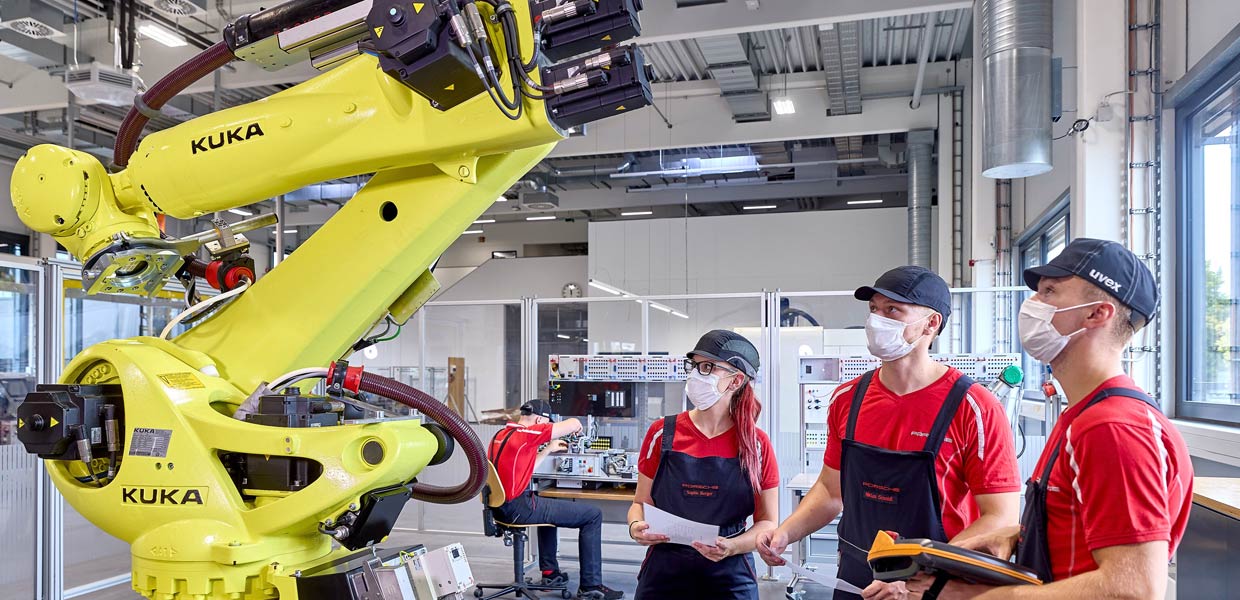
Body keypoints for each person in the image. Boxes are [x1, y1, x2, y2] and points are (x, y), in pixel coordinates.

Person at [907, 238, 1193, 600]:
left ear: (1096, 313)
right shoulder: (1083, 414)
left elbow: (1131, 587)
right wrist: (1016, 536)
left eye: (1050, 291)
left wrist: (972, 599)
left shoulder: (1114, 428)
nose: (1033, 305)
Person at [757, 266, 1022, 600]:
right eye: (874, 310)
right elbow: (829, 489)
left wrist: (920, 573)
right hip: (856, 575)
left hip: (936, 585)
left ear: (931, 323)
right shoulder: (847, 400)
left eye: (892, 310)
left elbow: (1001, 517)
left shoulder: (974, 408)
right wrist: (785, 533)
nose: (876, 320)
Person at [627, 330, 779, 599]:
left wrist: (732, 546)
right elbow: (641, 502)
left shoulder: (756, 445)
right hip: (665, 569)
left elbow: (767, 521)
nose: (696, 374)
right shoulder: (662, 434)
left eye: (708, 367)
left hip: (730, 572)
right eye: (695, 365)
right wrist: (635, 525)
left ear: (736, 380)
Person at [488, 399, 624, 600]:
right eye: (546, 423)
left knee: (547, 498)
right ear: (541, 419)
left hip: (500, 507)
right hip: (519, 507)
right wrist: (576, 426)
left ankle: (550, 573)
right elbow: (573, 424)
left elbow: (525, 468)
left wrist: (549, 448)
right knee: (593, 515)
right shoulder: (528, 433)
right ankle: (590, 586)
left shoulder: (501, 435)